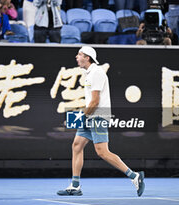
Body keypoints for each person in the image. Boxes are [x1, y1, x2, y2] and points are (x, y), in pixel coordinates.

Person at [57, 46, 145, 197]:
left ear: (88, 57)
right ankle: (75, 185)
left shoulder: (96, 73)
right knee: (77, 145)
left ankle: (134, 176)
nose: (76, 57)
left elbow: (95, 102)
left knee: (102, 152)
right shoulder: (89, 73)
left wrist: (80, 118)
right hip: (90, 115)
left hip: (98, 116)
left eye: (79, 54)